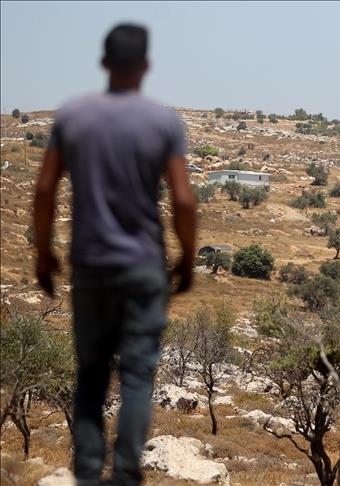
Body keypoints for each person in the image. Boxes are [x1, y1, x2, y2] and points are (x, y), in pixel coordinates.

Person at [33, 23, 197, 486]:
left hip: (90, 266)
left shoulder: (72, 117)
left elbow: (45, 189)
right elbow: (184, 200)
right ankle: (126, 475)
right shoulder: (164, 123)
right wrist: (187, 256)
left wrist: (44, 254)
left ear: (104, 63)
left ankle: (87, 474)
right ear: (146, 66)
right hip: (144, 266)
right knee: (138, 376)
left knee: (90, 375)